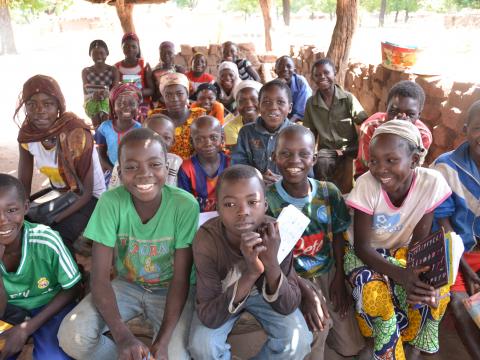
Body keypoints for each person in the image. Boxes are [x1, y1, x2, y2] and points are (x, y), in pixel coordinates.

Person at [58, 128, 199, 360]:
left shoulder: (185, 205)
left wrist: (162, 342)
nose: (144, 174)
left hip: (171, 290)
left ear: (166, 166)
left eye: (155, 165)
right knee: (72, 336)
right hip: (127, 285)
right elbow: (100, 277)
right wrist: (122, 337)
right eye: (131, 167)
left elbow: (181, 278)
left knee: (174, 354)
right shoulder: (110, 202)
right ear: (120, 171)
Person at [344, 120, 452, 359]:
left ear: (414, 160)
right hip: (366, 254)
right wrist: (402, 276)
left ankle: (415, 340)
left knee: (435, 288)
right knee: (376, 297)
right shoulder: (366, 185)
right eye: (374, 160)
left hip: (402, 251)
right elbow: (362, 247)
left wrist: (414, 275)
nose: (380, 168)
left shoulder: (431, 183)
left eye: (391, 160)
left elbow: (419, 240)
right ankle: (389, 348)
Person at [188, 164, 312, 359]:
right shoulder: (206, 241)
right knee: (203, 346)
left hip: (265, 294)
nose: (242, 212)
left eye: (252, 202)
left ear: (265, 205)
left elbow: (288, 305)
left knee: (299, 341)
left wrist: (270, 262)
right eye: (230, 204)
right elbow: (209, 317)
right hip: (222, 294)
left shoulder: (275, 234)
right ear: (217, 208)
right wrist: (252, 272)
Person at [266, 126, 365, 359]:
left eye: (303, 154)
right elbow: (271, 257)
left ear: (314, 158)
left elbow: (339, 238)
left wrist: (339, 279)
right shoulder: (267, 199)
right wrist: (300, 290)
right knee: (315, 331)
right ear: (274, 157)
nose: (295, 161)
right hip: (291, 277)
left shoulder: (328, 193)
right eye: (286, 154)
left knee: (351, 346)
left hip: (327, 272)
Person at [15, 75, 106, 250]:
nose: (39, 110)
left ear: (59, 106)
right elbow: (23, 184)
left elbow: (86, 192)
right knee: (21, 227)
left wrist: (54, 219)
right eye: (31, 104)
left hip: (90, 198)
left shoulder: (76, 134)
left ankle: (75, 275)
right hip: (61, 194)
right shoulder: (28, 136)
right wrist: (20, 212)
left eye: (48, 104)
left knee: (57, 237)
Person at [0, 174, 81, 359]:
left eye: (11, 210)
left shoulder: (46, 240)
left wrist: (27, 328)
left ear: (26, 207)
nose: (3, 220)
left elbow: (73, 288)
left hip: (48, 305)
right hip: (9, 308)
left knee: (53, 357)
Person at [431, 100, 480, 358]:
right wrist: (465, 267)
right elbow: (443, 225)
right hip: (452, 249)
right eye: (478, 127)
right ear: (465, 128)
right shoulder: (445, 167)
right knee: (460, 305)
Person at [303, 58, 368, 194]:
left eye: (326, 73)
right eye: (317, 75)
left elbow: (364, 123)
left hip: (349, 149)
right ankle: (325, 197)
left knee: (346, 186)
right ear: (313, 78)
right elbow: (310, 133)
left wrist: (361, 148)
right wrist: (308, 154)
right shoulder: (311, 104)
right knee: (321, 164)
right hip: (327, 153)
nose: (322, 77)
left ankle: (344, 199)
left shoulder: (348, 99)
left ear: (335, 72)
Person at [355, 80, 432, 179]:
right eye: (393, 111)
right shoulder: (371, 127)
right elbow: (365, 167)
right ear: (386, 107)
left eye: (410, 114)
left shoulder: (422, 135)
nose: (400, 120)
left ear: (418, 115)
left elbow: (411, 169)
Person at [232, 79, 294, 186]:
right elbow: (238, 167)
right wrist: (258, 177)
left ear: (290, 108)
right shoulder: (246, 133)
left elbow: (306, 173)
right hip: (254, 189)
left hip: (289, 191)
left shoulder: (297, 135)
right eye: (266, 102)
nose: (273, 107)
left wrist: (285, 181)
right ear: (259, 106)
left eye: (280, 102)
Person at [178, 116, 229, 212]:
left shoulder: (230, 164)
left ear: (222, 139)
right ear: (192, 142)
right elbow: (184, 203)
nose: (208, 143)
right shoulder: (186, 169)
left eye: (213, 137)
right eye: (200, 139)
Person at [151, 72, 206, 160]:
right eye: (168, 95)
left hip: (191, 170)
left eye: (179, 94)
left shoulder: (198, 116)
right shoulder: (155, 117)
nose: (174, 99)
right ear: (163, 97)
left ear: (187, 94)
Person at [95, 83, 142, 184]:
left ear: (138, 106)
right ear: (113, 106)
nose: (126, 107)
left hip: (135, 175)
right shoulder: (104, 128)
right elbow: (101, 154)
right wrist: (114, 171)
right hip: (113, 174)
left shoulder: (140, 130)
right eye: (120, 104)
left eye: (132, 103)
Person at [115, 33, 154, 121]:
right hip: (125, 105)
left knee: (142, 120)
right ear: (122, 48)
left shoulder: (144, 65)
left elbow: (151, 90)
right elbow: (115, 90)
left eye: (133, 46)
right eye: (126, 46)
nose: (130, 49)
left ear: (138, 48)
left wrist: (136, 92)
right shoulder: (117, 68)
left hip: (143, 104)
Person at [82, 39, 120, 128]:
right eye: (94, 54)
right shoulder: (86, 71)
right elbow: (85, 90)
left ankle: (105, 134)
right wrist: (93, 96)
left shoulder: (113, 70)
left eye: (101, 53)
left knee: (105, 114)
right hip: (92, 99)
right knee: (94, 114)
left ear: (107, 53)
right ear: (90, 55)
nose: (98, 56)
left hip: (108, 99)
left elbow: (115, 90)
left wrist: (106, 94)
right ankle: (98, 134)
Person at [144, 113, 183, 186]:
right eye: (153, 135)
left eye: (166, 137)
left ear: (173, 142)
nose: (160, 141)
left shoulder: (176, 163)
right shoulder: (127, 162)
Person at [223, 80, 262, 150]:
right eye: (242, 101)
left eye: (254, 99)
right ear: (236, 105)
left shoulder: (270, 122)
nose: (249, 105)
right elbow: (238, 153)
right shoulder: (229, 126)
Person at [274, 55, 312, 123]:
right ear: (275, 71)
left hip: (300, 119)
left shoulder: (301, 82)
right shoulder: (272, 86)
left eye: (288, 66)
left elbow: (301, 112)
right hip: (282, 120)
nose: (285, 69)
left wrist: (287, 126)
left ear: (294, 70)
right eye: (281, 66)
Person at [151, 41, 186, 105]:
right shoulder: (155, 72)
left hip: (178, 104)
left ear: (174, 54)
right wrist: (162, 85)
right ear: (159, 54)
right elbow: (153, 96)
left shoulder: (179, 70)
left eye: (169, 53)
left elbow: (185, 91)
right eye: (163, 53)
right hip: (161, 104)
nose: (166, 55)